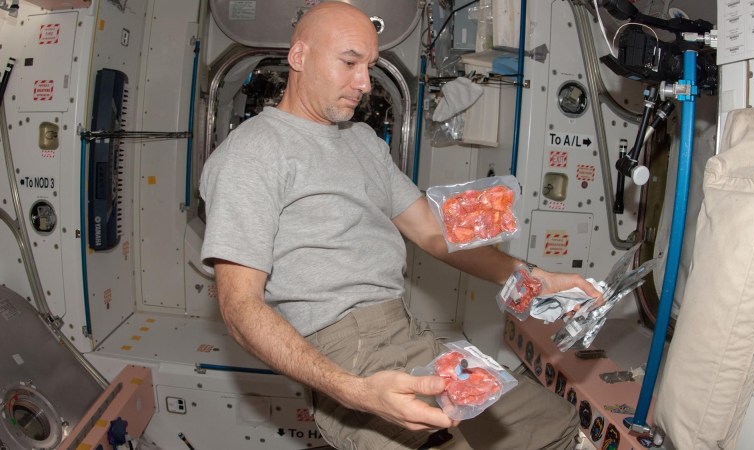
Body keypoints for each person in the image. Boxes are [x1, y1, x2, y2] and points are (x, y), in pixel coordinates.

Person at [200, 2, 603, 449]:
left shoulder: (362, 142)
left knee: (555, 426)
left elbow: (433, 232)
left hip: (409, 335)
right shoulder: (251, 154)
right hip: (347, 358)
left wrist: (532, 277)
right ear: (299, 57)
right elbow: (240, 310)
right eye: (349, 62)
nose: (364, 83)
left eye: (370, 66)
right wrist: (354, 392)